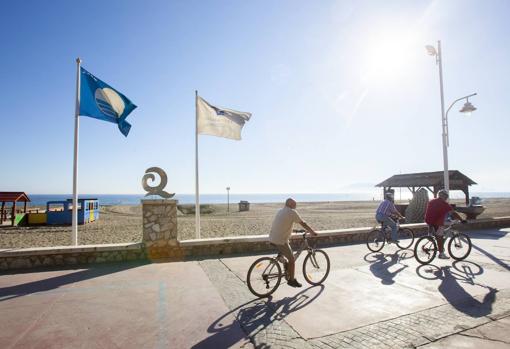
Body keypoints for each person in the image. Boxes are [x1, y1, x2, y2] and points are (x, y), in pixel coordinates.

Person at [269, 198, 318, 288]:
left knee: (287, 252)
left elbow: (283, 224)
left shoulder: (280, 211)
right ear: (290, 204)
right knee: (292, 259)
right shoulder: (292, 212)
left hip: (272, 237)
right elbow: (303, 223)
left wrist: (295, 230)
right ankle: (291, 280)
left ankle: (285, 266)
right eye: (294, 205)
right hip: (280, 240)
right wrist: (312, 232)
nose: (295, 207)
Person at [425, 189, 466, 259]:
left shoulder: (432, 201)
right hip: (437, 222)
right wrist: (462, 220)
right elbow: (453, 213)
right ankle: (441, 254)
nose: (447, 197)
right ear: (443, 196)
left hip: (429, 220)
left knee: (438, 233)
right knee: (440, 237)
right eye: (446, 196)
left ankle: (430, 235)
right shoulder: (444, 204)